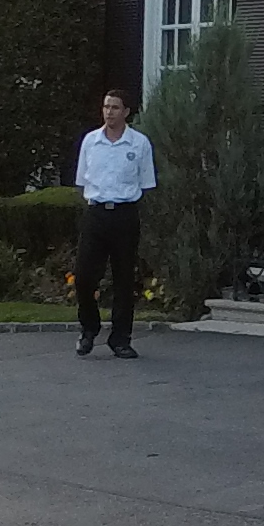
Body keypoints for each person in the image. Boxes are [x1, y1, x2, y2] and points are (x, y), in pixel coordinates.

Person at [72, 86, 156, 358]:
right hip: (96, 214)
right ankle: (89, 328)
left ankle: (120, 338)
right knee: (84, 277)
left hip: (124, 215)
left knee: (123, 279)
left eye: (115, 107)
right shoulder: (90, 141)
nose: (109, 112)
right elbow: (83, 180)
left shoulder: (139, 144)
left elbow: (145, 183)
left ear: (127, 112)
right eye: (106, 107)